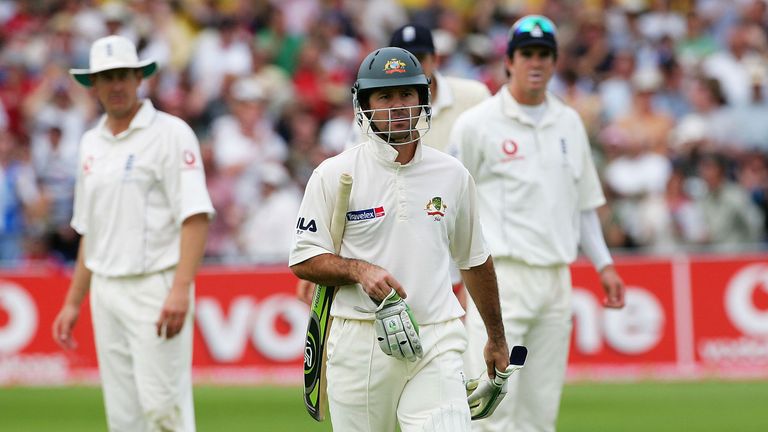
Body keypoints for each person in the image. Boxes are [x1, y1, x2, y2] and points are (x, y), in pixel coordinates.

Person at [289, 46, 509, 431]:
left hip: (437, 337)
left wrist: (495, 338)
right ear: (364, 103)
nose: (397, 106)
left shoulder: (452, 174)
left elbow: (474, 259)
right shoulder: (334, 173)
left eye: (407, 94)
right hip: (359, 340)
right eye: (385, 96)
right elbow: (304, 259)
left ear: (423, 100)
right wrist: (358, 271)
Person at [449, 15, 626, 432]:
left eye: (544, 54)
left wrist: (604, 264)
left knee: (540, 407)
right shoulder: (477, 124)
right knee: (491, 405)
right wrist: (449, 280)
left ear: (554, 61)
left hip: (556, 280)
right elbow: (451, 205)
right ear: (509, 60)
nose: (536, 62)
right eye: (527, 53)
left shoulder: (568, 122)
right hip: (500, 279)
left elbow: (584, 203)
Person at [52, 35, 214, 432]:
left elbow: (195, 215)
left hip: (155, 286)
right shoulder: (91, 143)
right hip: (106, 290)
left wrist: (180, 289)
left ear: (139, 78)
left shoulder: (171, 133)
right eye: (107, 77)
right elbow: (91, 230)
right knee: (124, 416)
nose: (116, 85)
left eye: (123, 75)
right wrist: (73, 302)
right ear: (94, 84)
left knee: (164, 410)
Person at [296, 23, 491, 303]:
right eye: (386, 96)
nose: (398, 105)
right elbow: (349, 185)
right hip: (393, 242)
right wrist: (329, 264)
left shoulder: (474, 98)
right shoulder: (358, 134)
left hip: (458, 232)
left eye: (419, 58)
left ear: (434, 60)